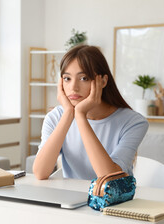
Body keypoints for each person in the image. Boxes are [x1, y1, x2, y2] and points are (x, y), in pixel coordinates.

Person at [33, 45, 149, 180]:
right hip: (71, 198)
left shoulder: (134, 122)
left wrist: (80, 115)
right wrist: (68, 114)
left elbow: (110, 179)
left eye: (83, 78)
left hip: (114, 200)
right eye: (67, 78)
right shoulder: (56, 117)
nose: (73, 87)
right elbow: (40, 173)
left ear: (103, 81)